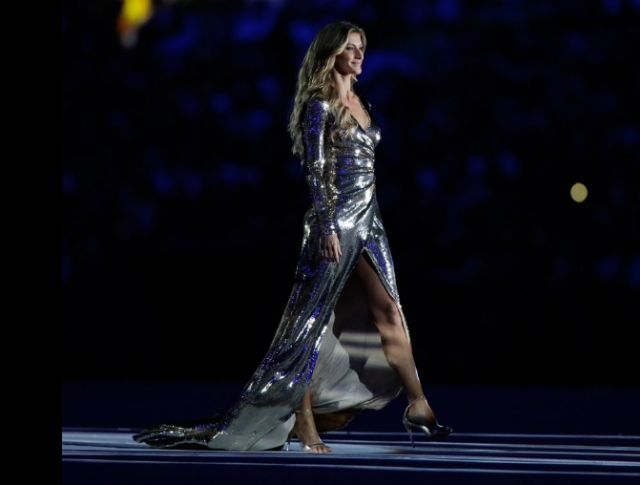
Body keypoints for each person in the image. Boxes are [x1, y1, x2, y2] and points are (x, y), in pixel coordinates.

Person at [133, 20, 451, 453]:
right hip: (334, 221)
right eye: (351, 48)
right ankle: (301, 419)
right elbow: (317, 171)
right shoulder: (320, 105)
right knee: (310, 323)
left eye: (362, 48)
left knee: (390, 311)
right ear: (331, 53)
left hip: (370, 220)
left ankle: (418, 403)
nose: (359, 55)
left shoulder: (363, 100)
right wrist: (324, 225)